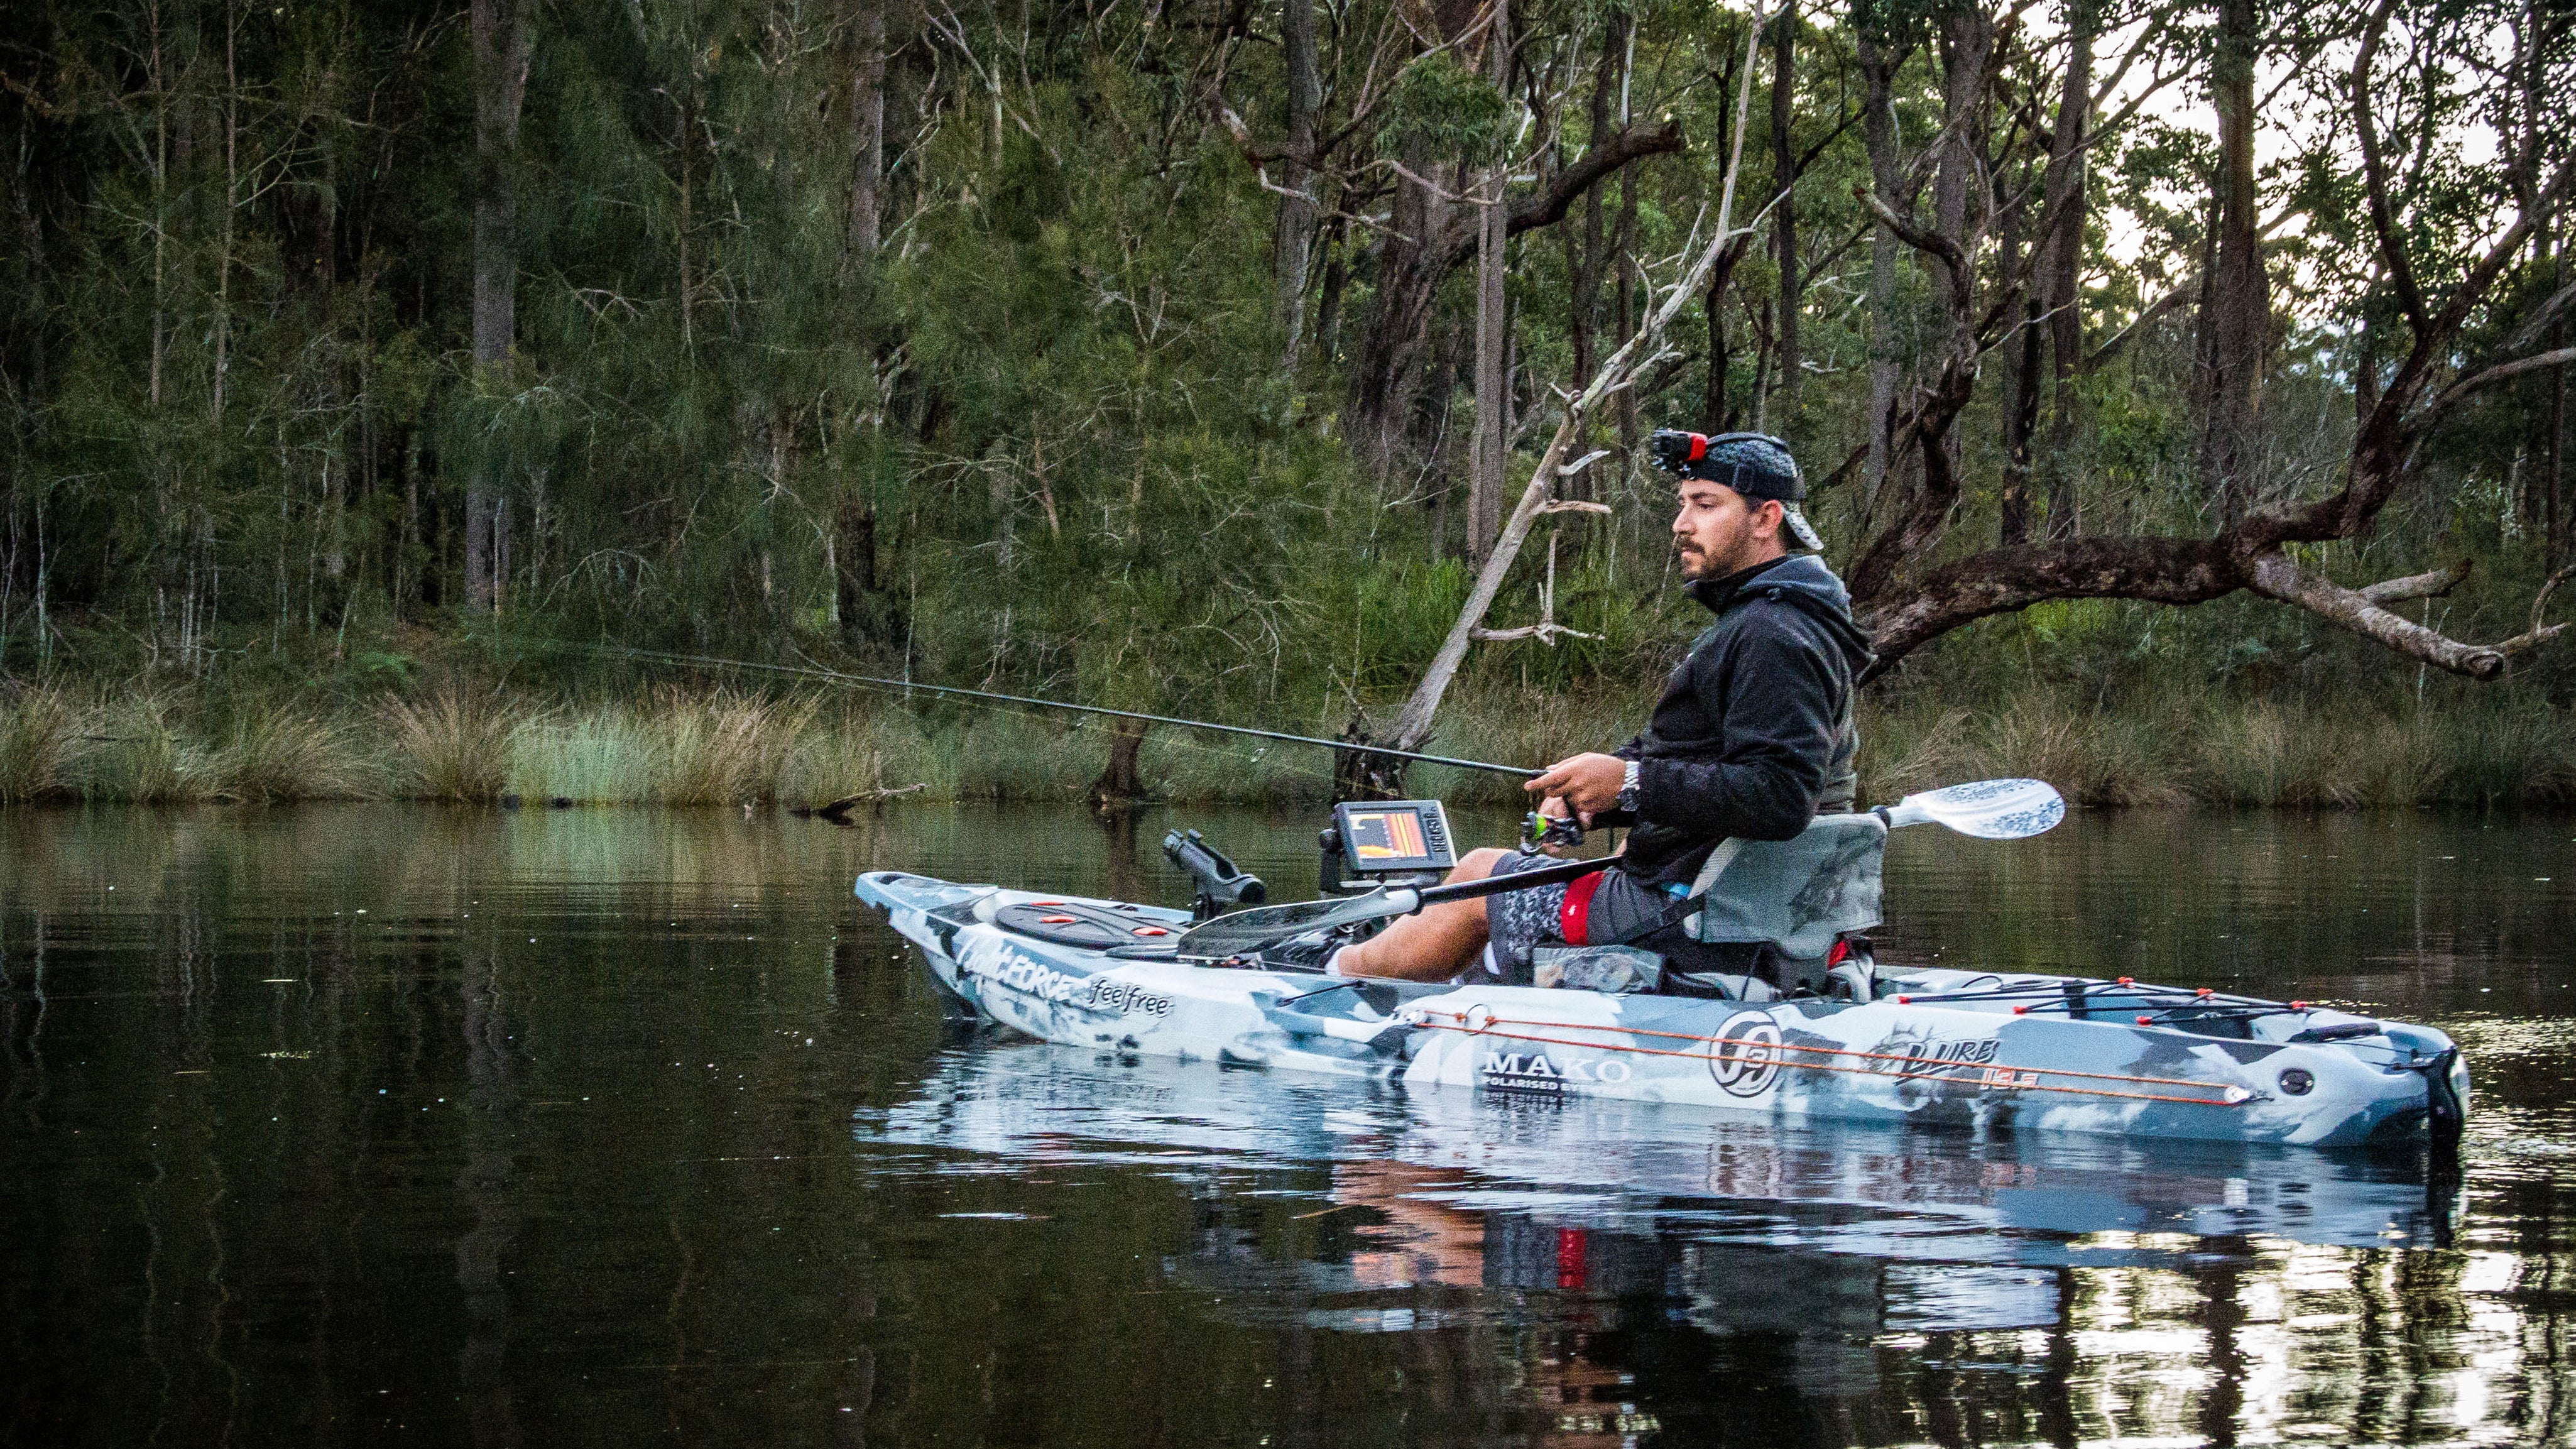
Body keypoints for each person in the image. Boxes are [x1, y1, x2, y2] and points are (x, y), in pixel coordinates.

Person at [1329, 430, 1874, 985]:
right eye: (1682, 504)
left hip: (1684, 918)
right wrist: (1599, 795)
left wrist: (1630, 784)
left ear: (1766, 518)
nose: (1681, 524)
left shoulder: (1770, 633)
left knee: (1479, 877)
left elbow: (1780, 796)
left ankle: (1327, 980)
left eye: (1705, 505)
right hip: (1751, 916)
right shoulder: (1792, 622)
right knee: (1507, 878)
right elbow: (1702, 761)